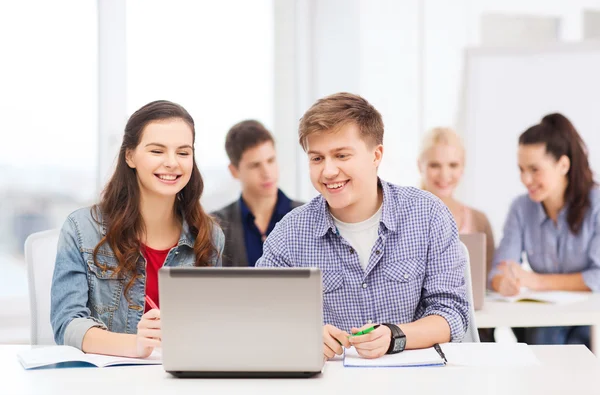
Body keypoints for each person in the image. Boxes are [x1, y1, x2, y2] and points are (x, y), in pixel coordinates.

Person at [256, 92, 469, 360]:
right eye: (317, 158)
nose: (328, 171)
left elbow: (452, 314)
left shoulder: (428, 215)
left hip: (413, 381)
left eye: (341, 155)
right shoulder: (290, 233)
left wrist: (395, 336)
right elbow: (262, 314)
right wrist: (303, 333)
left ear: (376, 155)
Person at [51, 100, 224, 357]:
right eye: (157, 151)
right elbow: (67, 323)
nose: (172, 163)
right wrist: (136, 345)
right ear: (130, 155)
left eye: (183, 152)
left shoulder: (208, 236)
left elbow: (213, 326)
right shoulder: (82, 229)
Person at [489, 113, 600, 348]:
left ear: (563, 165)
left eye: (534, 169)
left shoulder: (596, 204)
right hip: (547, 318)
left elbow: (597, 277)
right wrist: (503, 283)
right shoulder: (521, 208)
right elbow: (499, 269)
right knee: (543, 335)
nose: (525, 179)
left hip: (589, 318)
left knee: (555, 342)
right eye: (521, 169)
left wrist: (537, 281)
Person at [212, 120, 302, 267]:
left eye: (271, 160)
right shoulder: (216, 225)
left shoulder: (308, 217)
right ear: (234, 171)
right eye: (255, 165)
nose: (267, 173)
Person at [418, 127, 495, 273]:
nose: (444, 174)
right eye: (435, 165)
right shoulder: (399, 218)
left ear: (463, 167)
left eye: (453, 165)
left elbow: (487, 281)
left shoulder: (479, 220)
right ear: (420, 166)